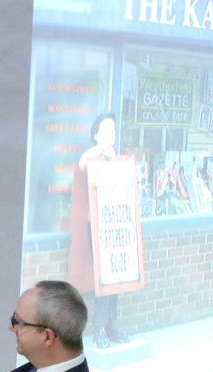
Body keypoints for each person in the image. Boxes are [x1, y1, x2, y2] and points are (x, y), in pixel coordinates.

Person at [67, 113, 130, 347]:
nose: (111, 133)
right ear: (95, 134)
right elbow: (85, 168)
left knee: (115, 276)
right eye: (106, 128)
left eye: (113, 128)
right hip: (93, 226)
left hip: (112, 225)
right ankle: (100, 327)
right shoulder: (89, 157)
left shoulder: (114, 157)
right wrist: (103, 156)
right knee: (103, 278)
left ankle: (112, 323)